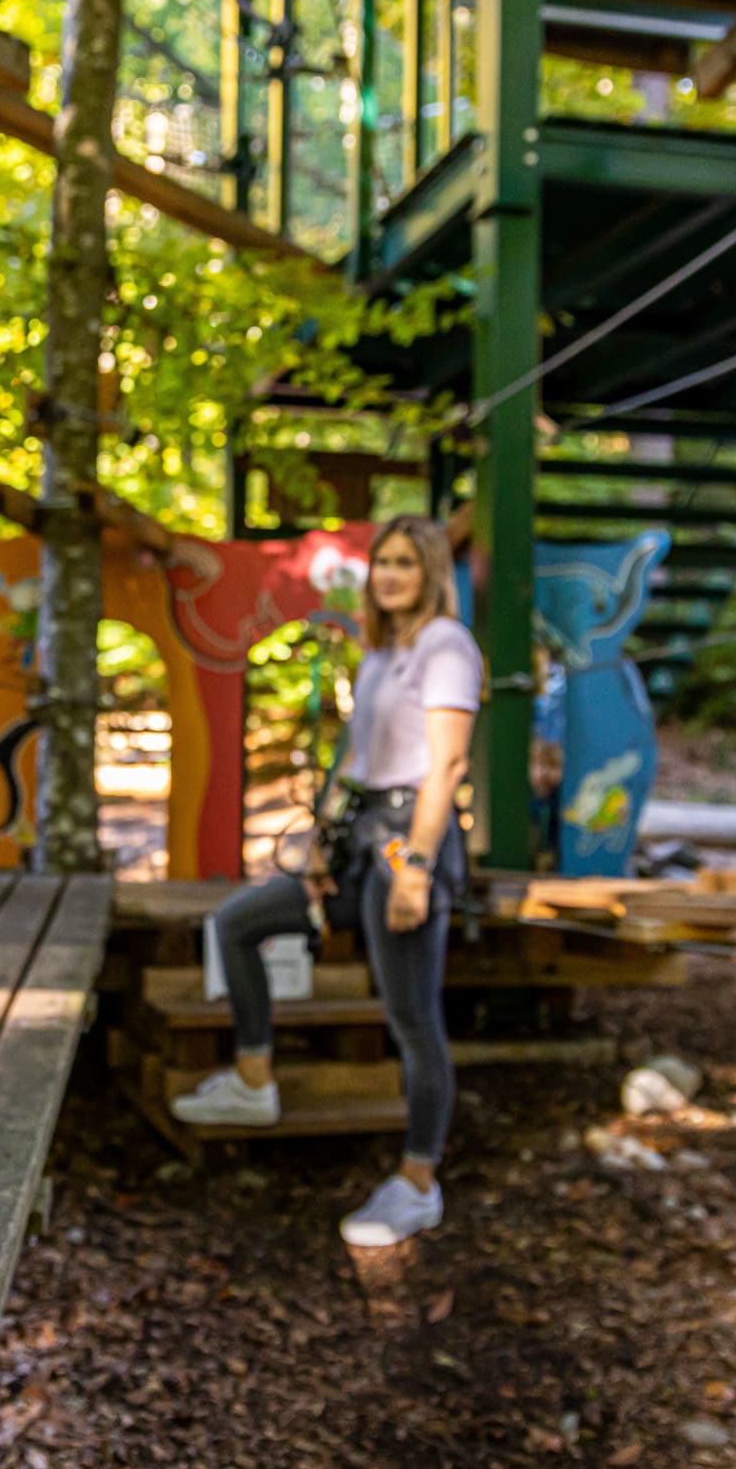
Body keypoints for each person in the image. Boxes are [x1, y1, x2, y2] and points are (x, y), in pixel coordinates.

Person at [173, 515, 481, 1247]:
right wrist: (317, 838)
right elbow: (354, 761)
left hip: (409, 842)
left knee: (411, 1016)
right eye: (383, 563)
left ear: (431, 570)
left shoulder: (446, 647)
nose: (392, 575)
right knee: (239, 921)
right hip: (358, 838)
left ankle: (417, 1183)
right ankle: (253, 1081)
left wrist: (419, 872)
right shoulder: (380, 653)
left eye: (406, 562)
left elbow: (445, 767)